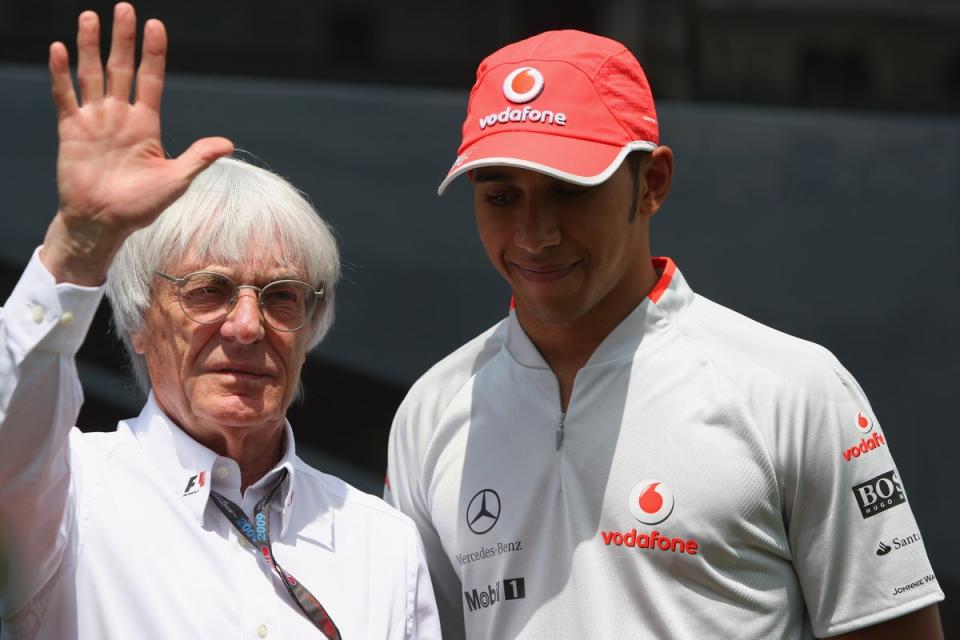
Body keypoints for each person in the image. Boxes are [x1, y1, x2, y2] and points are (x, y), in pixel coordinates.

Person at [385, 29, 944, 639]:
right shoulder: (430, 411)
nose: (533, 233)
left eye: (569, 191)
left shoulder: (795, 389)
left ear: (651, 183)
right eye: (500, 197)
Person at [0, 4, 440, 638]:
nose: (246, 326)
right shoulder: (66, 496)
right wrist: (79, 245)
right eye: (208, 290)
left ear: (310, 329)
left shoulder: (383, 542)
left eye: (282, 296)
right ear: (140, 323)